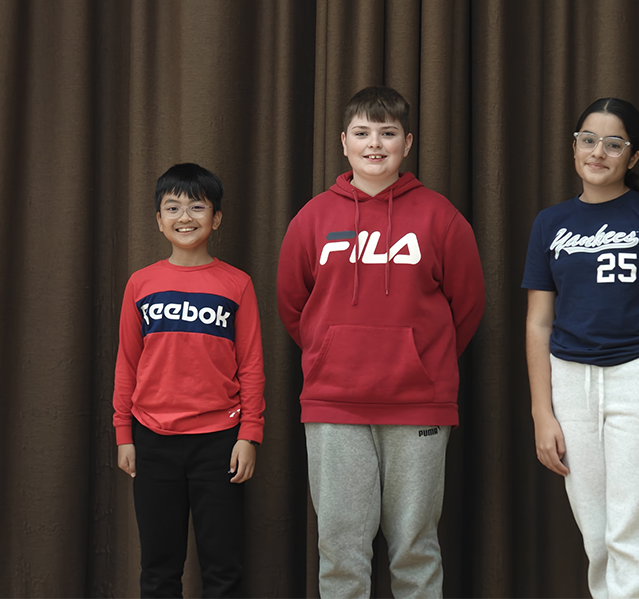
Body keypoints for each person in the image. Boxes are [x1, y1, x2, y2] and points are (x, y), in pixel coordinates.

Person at [277, 86, 485, 598]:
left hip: (419, 404)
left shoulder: (441, 217)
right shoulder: (312, 218)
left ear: (407, 142)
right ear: (343, 142)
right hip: (334, 405)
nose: (375, 144)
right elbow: (291, 305)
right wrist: (331, 354)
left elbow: (468, 306)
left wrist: (419, 361)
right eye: (363, 133)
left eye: (388, 133)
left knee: (415, 549)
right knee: (341, 551)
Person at [523, 98, 639, 599]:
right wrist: (542, 412)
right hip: (570, 382)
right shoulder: (549, 223)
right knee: (598, 536)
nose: (598, 152)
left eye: (614, 143)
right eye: (588, 140)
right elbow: (538, 323)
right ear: (573, 146)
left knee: (636, 535)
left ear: (633, 157)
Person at [113, 163, 265, 598]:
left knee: (223, 567)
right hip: (152, 439)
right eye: (173, 207)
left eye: (197, 207)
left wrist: (249, 434)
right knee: (159, 567)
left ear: (216, 218)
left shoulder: (237, 284)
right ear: (158, 220)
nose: (185, 217)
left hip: (220, 440)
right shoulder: (141, 284)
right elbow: (127, 362)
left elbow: (251, 364)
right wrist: (124, 432)